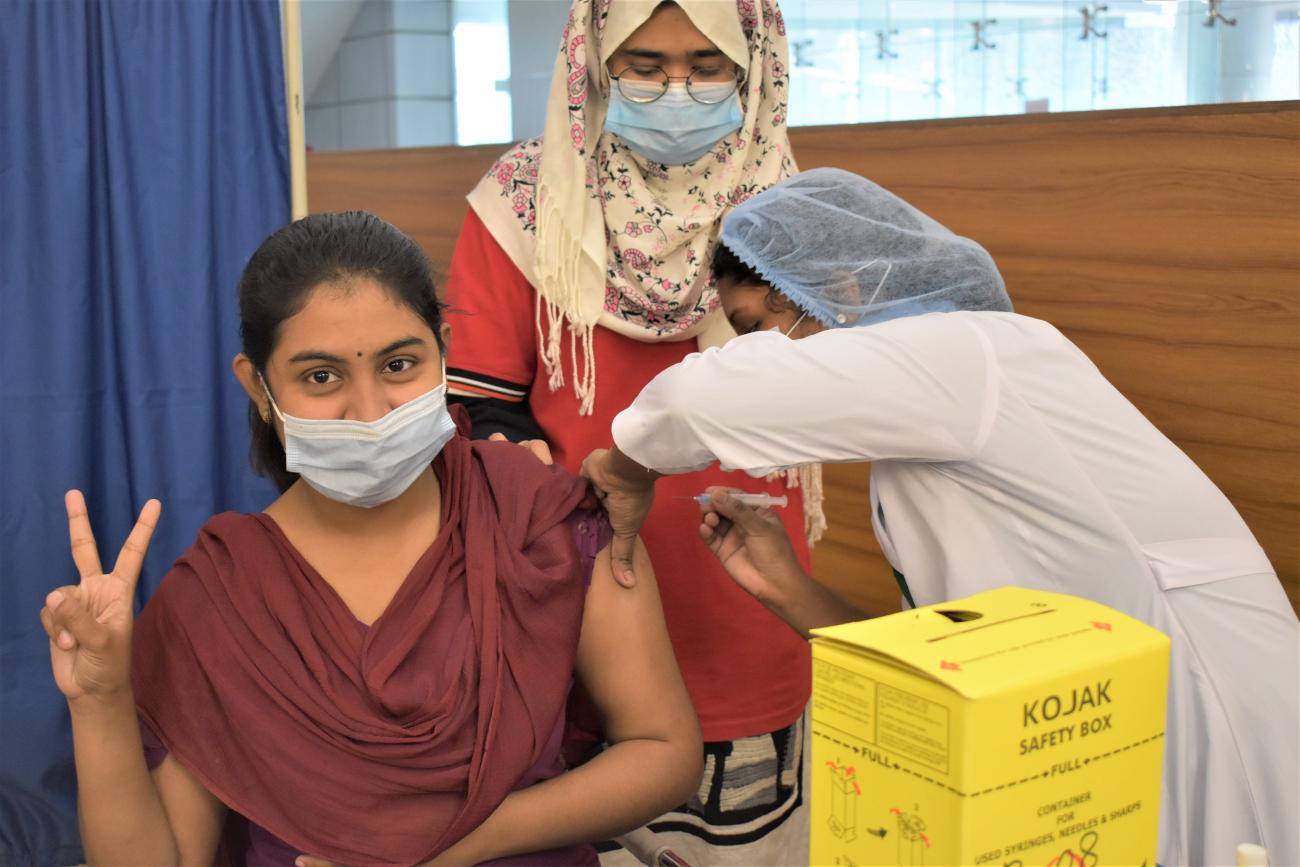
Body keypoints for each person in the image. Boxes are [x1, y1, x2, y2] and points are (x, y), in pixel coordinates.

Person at [582, 167, 1300, 867]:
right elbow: (949, 658)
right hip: (1092, 708)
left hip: (1204, 691)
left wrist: (623, 472)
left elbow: (692, 403)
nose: (751, 353)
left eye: (757, 327)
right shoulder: (925, 436)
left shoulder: (967, 353)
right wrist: (787, 589)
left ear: (842, 289)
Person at [37, 212, 702, 867]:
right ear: (258, 387)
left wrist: (458, 843)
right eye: (320, 376)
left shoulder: (541, 516)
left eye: (399, 364)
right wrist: (99, 701)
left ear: (443, 351)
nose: (369, 409)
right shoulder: (217, 598)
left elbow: (664, 749)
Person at [444, 1, 815, 862]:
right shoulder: (523, 205)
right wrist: (520, 467)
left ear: (755, 65)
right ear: (593, 64)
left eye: (707, 65)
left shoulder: (791, 208)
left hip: (743, 594)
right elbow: (483, 405)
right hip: (575, 605)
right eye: (643, 65)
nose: (676, 90)